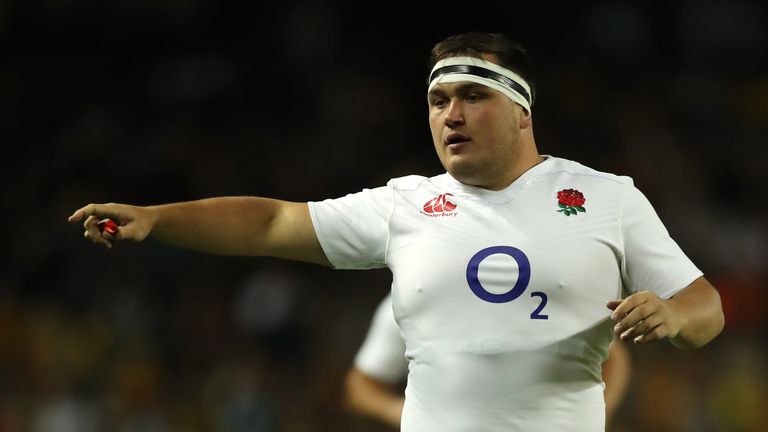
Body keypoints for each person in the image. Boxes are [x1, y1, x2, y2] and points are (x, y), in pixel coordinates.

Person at [68, 32, 724, 431]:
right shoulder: (406, 205)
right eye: (439, 101)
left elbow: (706, 306)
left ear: (522, 111)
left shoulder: (607, 198)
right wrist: (159, 220)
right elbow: (272, 221)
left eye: (473, 95)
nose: (451, 114)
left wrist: (672, 312)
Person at [343, 293, 632, 430]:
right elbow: (359, 388)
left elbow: (612, 357)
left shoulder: (536, 294)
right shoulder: (411, 301)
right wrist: (407, 415)